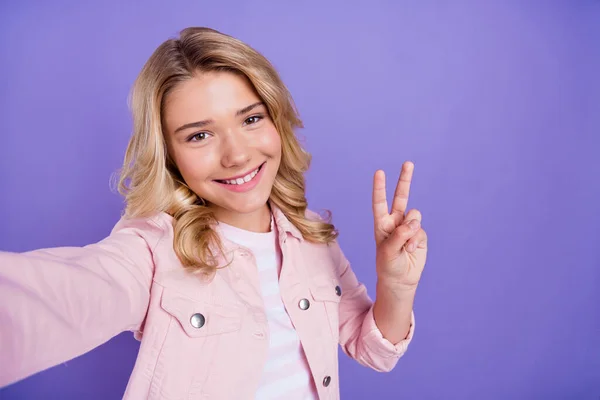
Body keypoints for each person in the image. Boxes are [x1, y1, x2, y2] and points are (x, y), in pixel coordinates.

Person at [0, 27, 428, 399]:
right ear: (168, 155)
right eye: (200, 135)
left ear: (276, 119)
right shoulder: (151, 249)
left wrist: (396, 285)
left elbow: (372, 349)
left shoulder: (311, 236)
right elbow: (59, 297)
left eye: (251, 119)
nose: (237, 154)